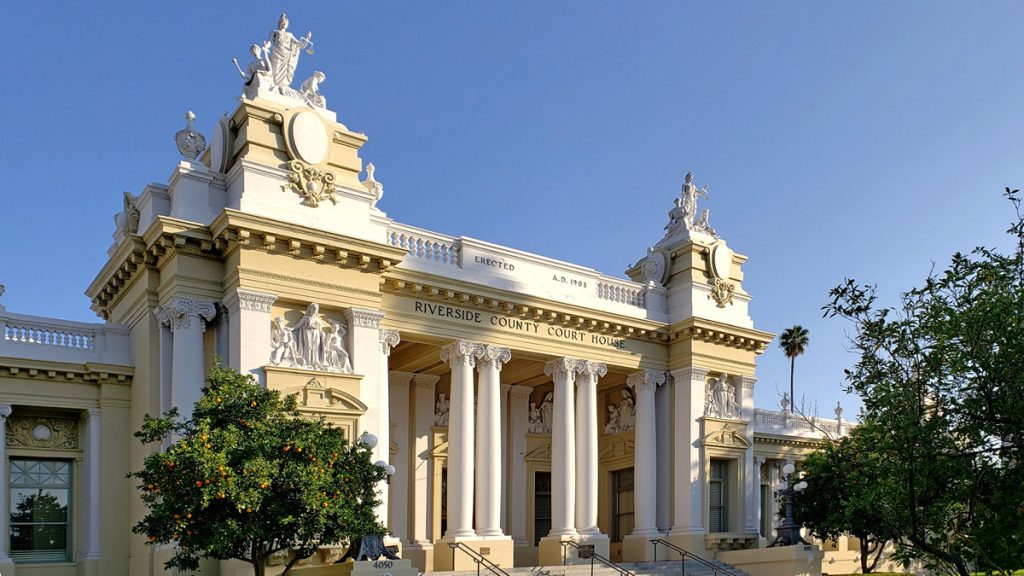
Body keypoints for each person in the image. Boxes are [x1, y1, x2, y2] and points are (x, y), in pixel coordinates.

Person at [267, 13, 312, 91]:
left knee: (285, 72)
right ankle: (273, 85)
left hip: (286, 54)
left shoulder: (290, 34)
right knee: (275, 68)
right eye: (282, 22)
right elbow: (269, 42)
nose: (283, 24)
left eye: (285, 23)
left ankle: (281, 86)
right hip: (277, 52)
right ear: (279, 24)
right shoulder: (274, 32)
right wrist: (266, 46)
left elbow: (300, 45)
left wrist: (307, 39)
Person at [294, 303, 324, 369]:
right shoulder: (306, 318)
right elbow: (299, 325)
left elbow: (320, 329)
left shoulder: (318, 320)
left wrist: (322, 333)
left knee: (316, 347)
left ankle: (315, 362)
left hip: (316, 334)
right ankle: (308, 362)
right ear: (309, 309)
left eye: (316, 308)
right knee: (308, 346)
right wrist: (291, 329)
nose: (315, 309)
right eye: (313, 307)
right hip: (308, 332)